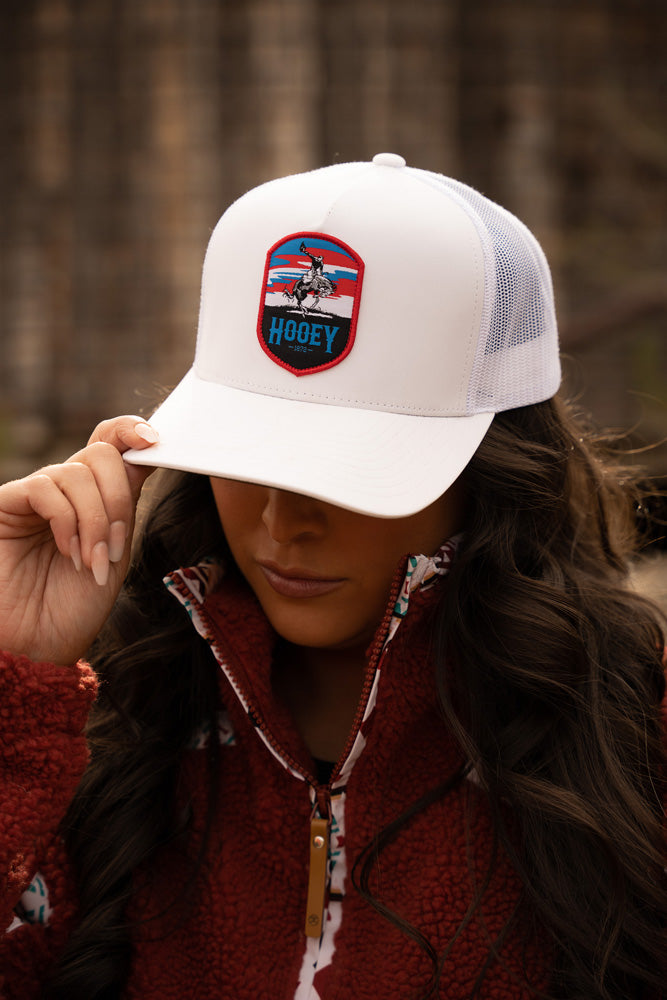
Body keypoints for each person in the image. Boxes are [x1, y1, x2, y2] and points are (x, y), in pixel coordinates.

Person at [0, 153, 665, 1000]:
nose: (283, 524)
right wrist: (16, 679)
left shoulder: (635, 743)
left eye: (346, 474)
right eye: (244, 457)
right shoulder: (105, 719)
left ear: (493, 469)